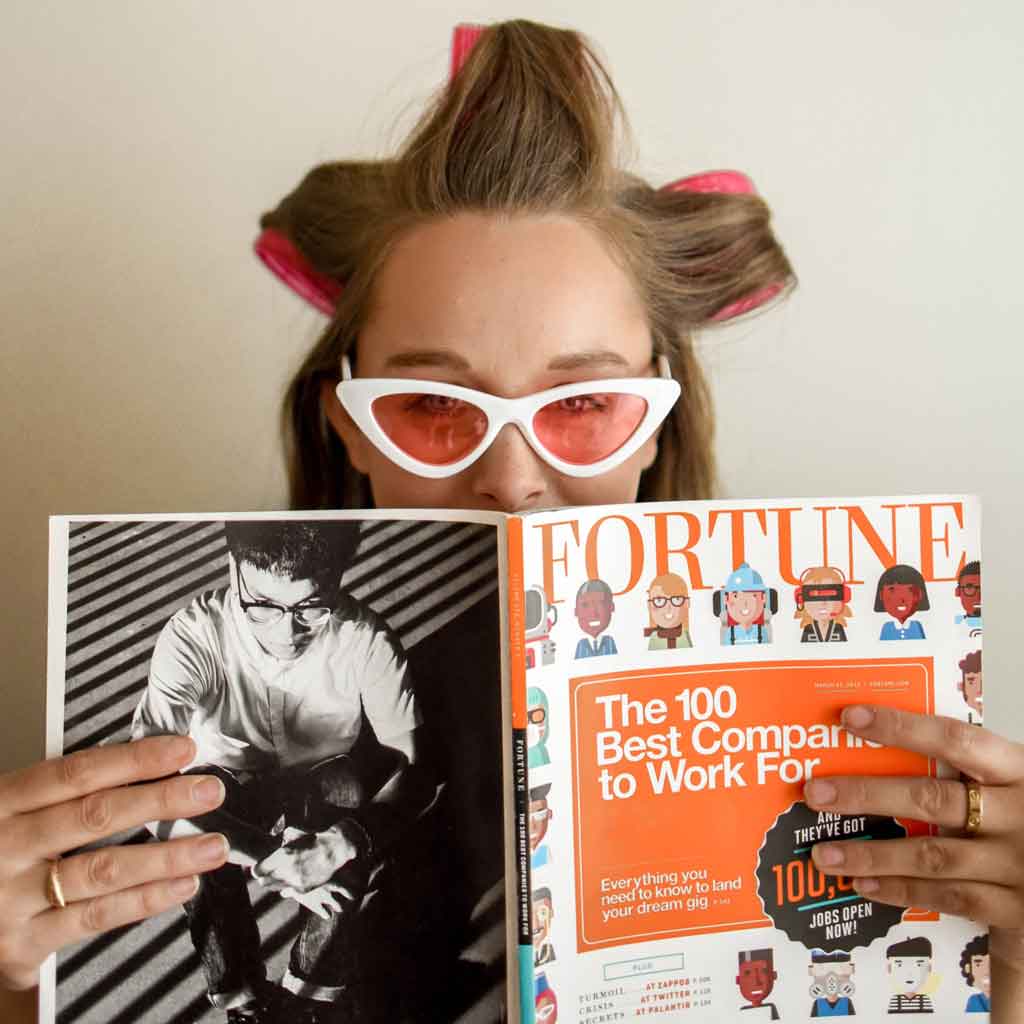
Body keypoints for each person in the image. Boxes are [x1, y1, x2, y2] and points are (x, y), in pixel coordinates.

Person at [2, 18, 1024, 1023]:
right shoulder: (229, 644)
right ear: (347, 425)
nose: (513, 478)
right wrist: (13, 986)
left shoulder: (861, 711)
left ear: (653, 426)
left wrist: (1009, 985)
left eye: (580, 403)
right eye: (435, 405)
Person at [130, 519, 430, 1021]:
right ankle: (242, 1002)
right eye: (262, 606)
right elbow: (143, 788)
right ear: (233, 567)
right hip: (225, 780)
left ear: (337, 579)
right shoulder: (194, 635)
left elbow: (420, 770)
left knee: (352, 798)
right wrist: (270, 858)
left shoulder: (365, 637)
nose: (284, 632)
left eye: (310, 607)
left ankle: (312, 995)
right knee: (193, 815)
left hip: (320, 781)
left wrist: (337, 844)